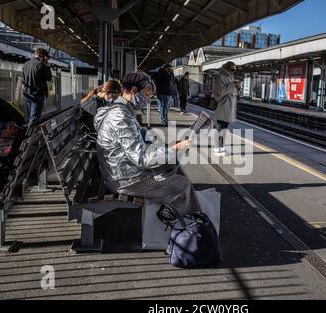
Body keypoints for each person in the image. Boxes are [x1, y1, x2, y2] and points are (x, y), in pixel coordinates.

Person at [94, 73, 202, 217]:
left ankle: (177, 219)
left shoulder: (121, 110)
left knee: (169, 168)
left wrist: (168, 149)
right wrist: (175, 148)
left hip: (121, 171)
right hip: (123, 180)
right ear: (133, 90)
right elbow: (141, 159)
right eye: (146, 95)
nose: (148, 100)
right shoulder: (120, 116)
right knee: (182, 185)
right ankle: (190, 229)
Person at [213, 61, 240, 156]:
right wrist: (233, 85)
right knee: (220, 128)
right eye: (232, 69)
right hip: (222, 106)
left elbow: (232, 91)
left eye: (235, 70)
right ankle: (217, 148)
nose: (233, 71)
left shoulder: (230, 77)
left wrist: (237, 87)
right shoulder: (220, 77)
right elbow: (220, 92)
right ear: (227, 68)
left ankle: (222, 147)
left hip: (229, 107)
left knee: (225, 128)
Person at [22, 48, 52, 125]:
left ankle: (30, 132)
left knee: (31, 116)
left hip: (27, 94)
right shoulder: (40, 64)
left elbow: (23, 78)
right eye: (47, 58)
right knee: (35, 118)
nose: (47, 60)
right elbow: (49, 77)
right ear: (42, 56)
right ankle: (31, 136)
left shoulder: (26, 64)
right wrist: (47, 66)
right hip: (37, 95)